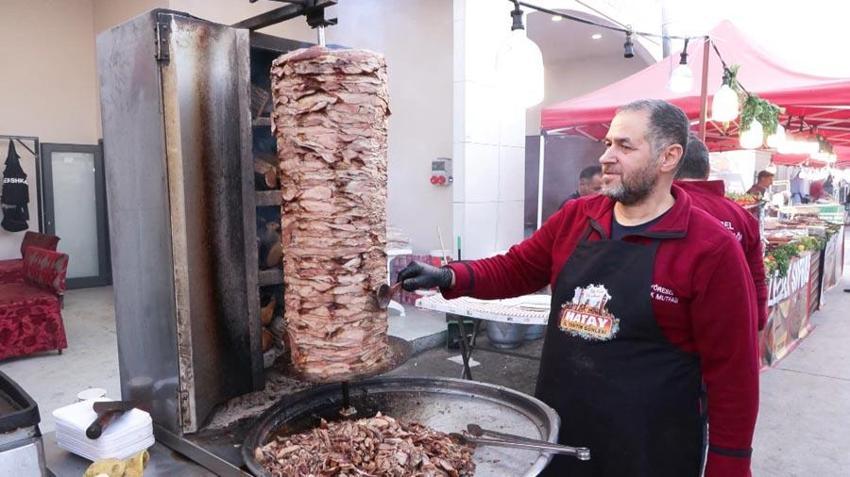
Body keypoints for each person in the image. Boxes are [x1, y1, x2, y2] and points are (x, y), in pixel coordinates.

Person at [398, 100, 758, 477]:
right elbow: (519, 267)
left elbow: (734, 373)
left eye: (625, 146)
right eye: (607, 143)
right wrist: (451, 277)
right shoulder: (577, 217)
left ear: (669, 157)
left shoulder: (711, 248)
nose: (607, 156)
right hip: (561, 427)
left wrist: (730, 465)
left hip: (650, 445)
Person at [675, 133, 768, 330]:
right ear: (708, 171)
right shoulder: (743, 216)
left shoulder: (659, 209)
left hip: (675, 326)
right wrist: (759, 320)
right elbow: (756, 277)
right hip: (730, 322)